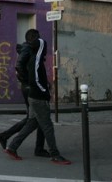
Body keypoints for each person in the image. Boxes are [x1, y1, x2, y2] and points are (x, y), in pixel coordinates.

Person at [4, 36, 71, 165]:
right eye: (45, 47)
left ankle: (12, 147)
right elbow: (35, 80)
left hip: (34, 97)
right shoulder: (36, 60)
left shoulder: (36, 59)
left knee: (32, 123)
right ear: (41, 48)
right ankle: (55, 155)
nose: (46, 49)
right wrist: (45, 92)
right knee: (48, 126)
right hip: (38, 98)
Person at [0, 29, 49, 157]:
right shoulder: (28, 49)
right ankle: (38, 148)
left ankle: (6, 136)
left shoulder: (29, 49)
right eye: (38, 37)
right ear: (35, 38)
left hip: (30, 87)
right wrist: (29, 81)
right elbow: (19, 65)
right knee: (39, 117)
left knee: (34, 118)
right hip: (31, 88)